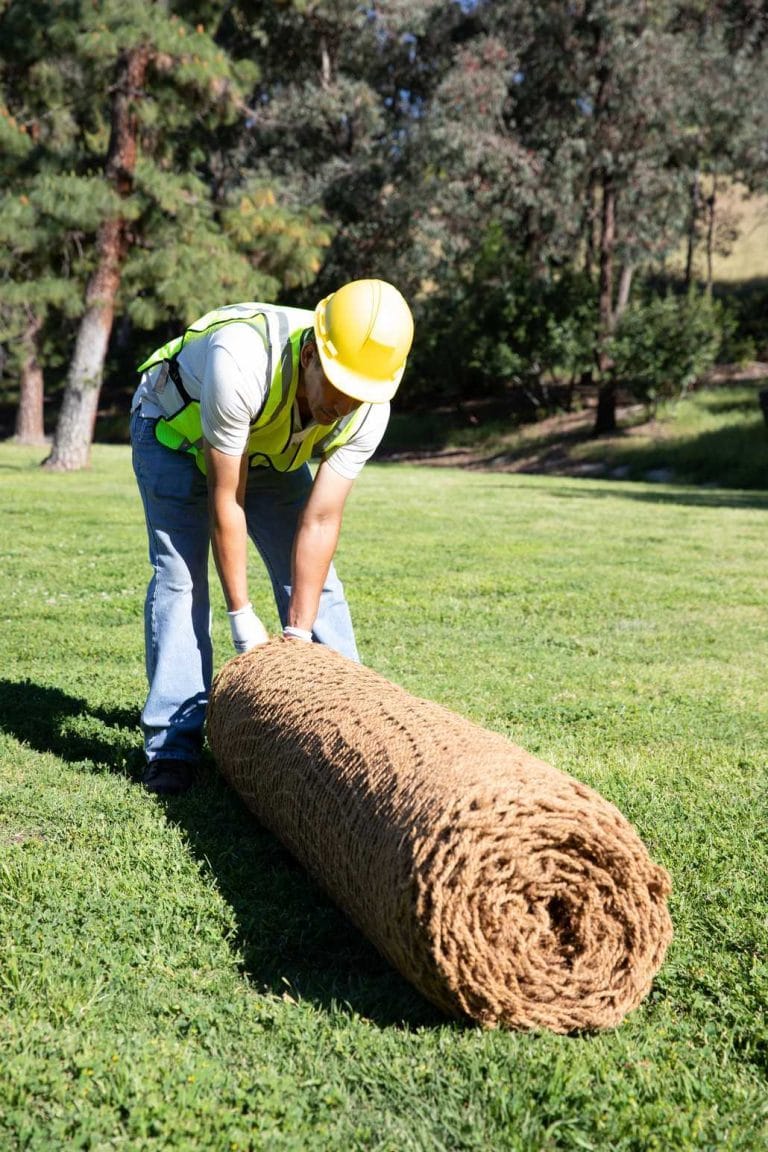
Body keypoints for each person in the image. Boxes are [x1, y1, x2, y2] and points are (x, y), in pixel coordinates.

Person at [130, 278, 414, 796]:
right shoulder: (240, 358)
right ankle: (172, 746)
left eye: (359, 392)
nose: (344, 402)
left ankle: (351, 723)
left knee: (317, 585)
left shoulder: (371, 402)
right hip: (174, 429)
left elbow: (321, 520)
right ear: (310, 353)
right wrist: (243, 619)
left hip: (262, 449)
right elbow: (226, 499)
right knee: (181, 579)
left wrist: (297, 635)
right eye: (336, 383)